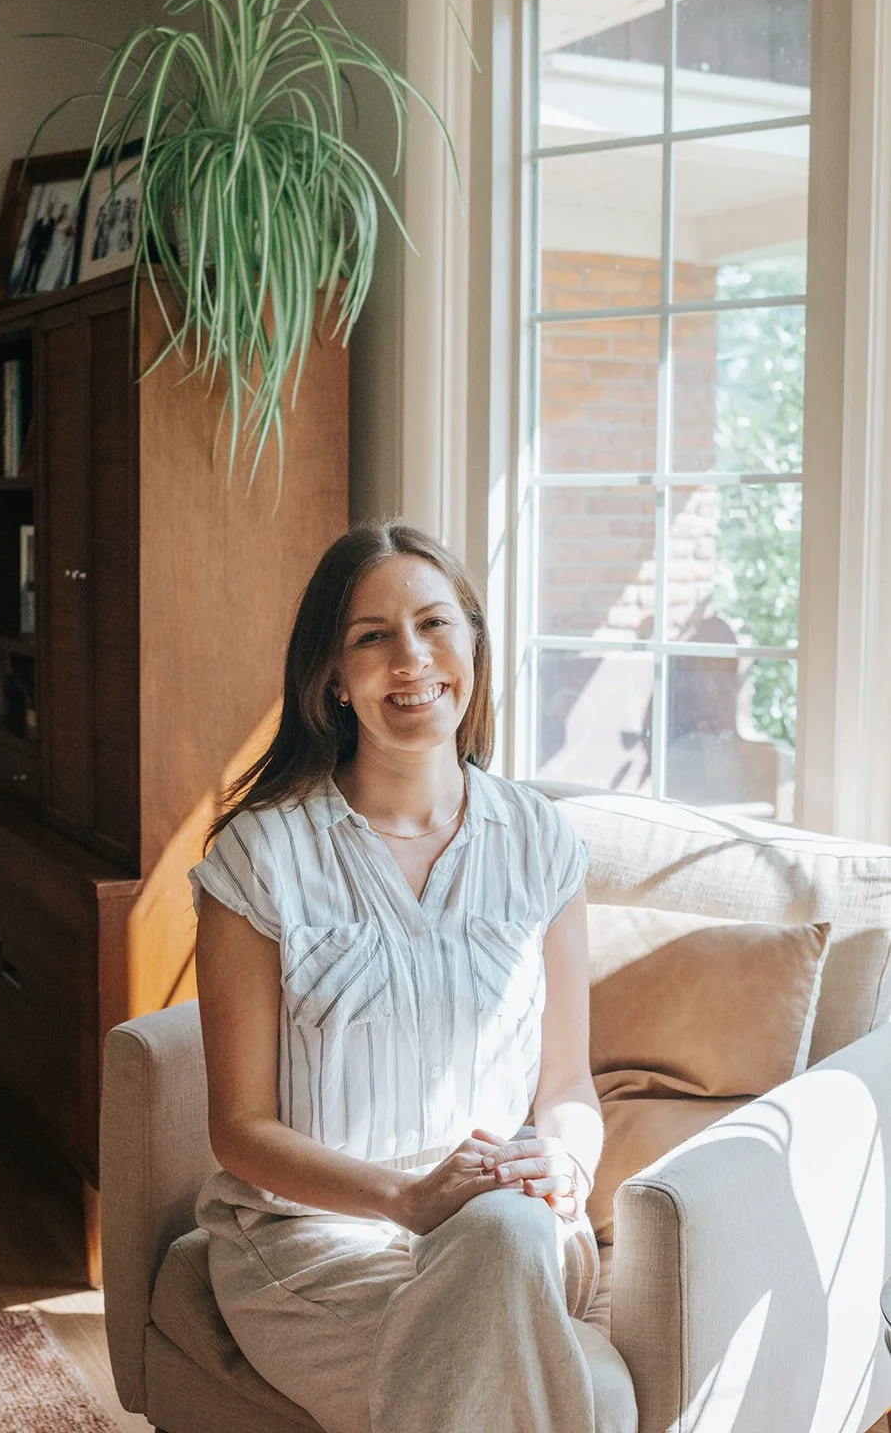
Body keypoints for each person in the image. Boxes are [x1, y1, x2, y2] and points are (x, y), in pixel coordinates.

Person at [191, 520, 633, 1433]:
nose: (411, 659)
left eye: (435, 625)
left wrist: (566, 1159)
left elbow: (565, 1086)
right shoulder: (260, 859)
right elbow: (239, 1131)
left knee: (502, 1233)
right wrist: (404, 1198)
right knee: (575, 1400)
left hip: (513, 1225)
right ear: (331, 678)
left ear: (472, 644)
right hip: (314, 1243)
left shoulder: (540, 841)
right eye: (372, 637)